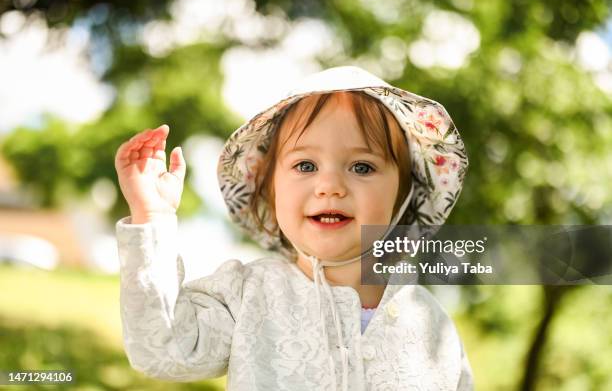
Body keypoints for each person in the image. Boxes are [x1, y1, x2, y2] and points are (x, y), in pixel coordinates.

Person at [115, 66, 473, 390]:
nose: (330, 185)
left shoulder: (430, 324)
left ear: (403, 194)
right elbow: (162, 348)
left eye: (362, 167)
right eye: (305, 165)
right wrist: (153, 217)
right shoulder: (246, 296)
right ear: (269, 190)